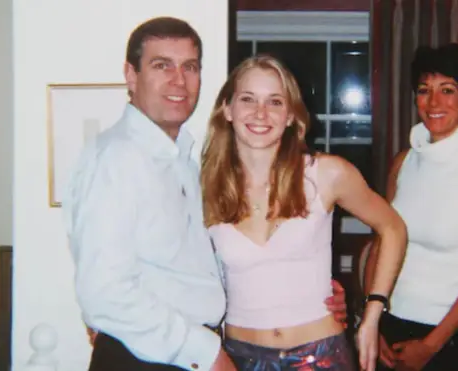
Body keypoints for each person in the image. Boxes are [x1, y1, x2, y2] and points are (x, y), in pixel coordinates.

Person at [63, 17, 347, 371]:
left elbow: (202, 267)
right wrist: (206, 352)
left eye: (190, 67)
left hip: (189, 353)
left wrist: (305, 291)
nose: (178, 80)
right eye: (161, 65)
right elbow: (104, 293)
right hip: (151, 356)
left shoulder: (188, 162)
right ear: (131, 75)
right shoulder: (115, 159)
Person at [201, 54, 408, 371]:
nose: (260, 113)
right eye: (248, 99)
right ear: (227, 109)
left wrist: (372, 314)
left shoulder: (326, 174)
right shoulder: (204, 186)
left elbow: (393, 228)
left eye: (275, 102)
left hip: (321, 356)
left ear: (290, 116)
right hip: (239, 358)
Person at [363, 43, 458, 371]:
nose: (433, 102)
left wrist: (431, 346)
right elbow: (381, 245)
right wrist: (372, 320)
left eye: (447, 90)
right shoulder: (404, 161)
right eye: (424, 90)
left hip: (450, 337)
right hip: (389, 325)